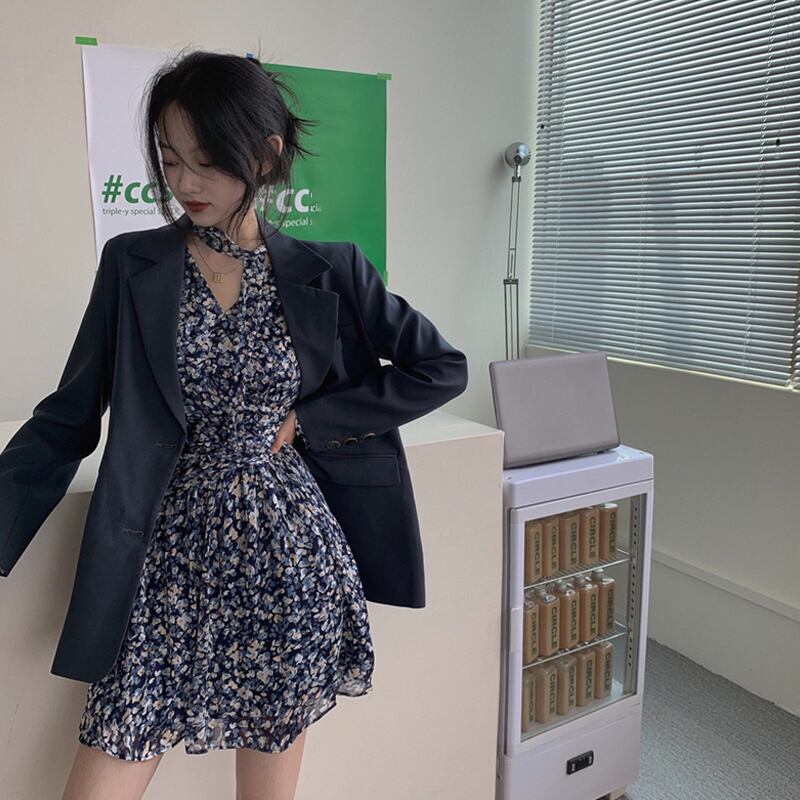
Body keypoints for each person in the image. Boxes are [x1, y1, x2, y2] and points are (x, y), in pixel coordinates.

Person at [0, 48, 467, 800]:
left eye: (207, 161)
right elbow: (67, 416)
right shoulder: (133, 265)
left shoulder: (330, 269)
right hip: (162, 566)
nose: (185, 184)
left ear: (266, 156)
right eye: (169, 160)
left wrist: (311, 418)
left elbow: (440, 366)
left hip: (288, 559)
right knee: (105, 765)